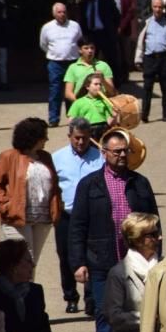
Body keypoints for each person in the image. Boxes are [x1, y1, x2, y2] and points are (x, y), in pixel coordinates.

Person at [70, 129, 159, 332]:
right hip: (102, 261)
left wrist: (158, 254)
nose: (122, 155)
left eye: (125, 151)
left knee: (141, 311)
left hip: (137, 260)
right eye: (116, 151)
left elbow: (154, 221)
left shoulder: (140, 183)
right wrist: (78, 262)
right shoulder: (89, 185)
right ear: (104, 153)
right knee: (105, 314)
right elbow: (78, 226)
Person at [0, 117, 63, 266]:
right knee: (22, 263)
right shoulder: (9, 156)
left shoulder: (46, 157)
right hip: (18, 218)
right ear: (33, 138)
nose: (46, 139)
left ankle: (28, 290)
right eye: (43, 136)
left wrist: (57, 205)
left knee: (31, 264)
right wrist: (5, 204)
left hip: (43, 220)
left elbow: (54, 184)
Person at [51, 117, 104, 314]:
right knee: (65, 257)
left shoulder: (100, 158)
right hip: (66, 216)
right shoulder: (57, 158)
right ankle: (71, 297)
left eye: (84, 138)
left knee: (91, 257)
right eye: (76, 138)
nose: (80, 142)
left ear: (90, 137)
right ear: (69, 137)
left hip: (92, 217)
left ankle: (91, 299)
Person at [134, 0, 166, 123]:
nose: (158, 9)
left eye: (160, 7)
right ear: (152, 7)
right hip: (150, 58)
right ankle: (145, 114)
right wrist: (138, 59)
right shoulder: (146, 22)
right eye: (155, 6)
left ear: (163, 7)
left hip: (165, 58)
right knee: (147, 87)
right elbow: (140, 42)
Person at [39, 1, 82, 127]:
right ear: (54, 14)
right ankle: (53, 119)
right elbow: (43, 44)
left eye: (64, 12)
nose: (62, 14)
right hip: (55, 63)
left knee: (72, 92)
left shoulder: (75, 26)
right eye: (59, 12)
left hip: (72, 63)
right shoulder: (47, 27)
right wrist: (54, 54)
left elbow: (80, 42)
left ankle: (72, 117)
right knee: (55, 92)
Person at [78, 0, 121, 84]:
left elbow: (117, 16)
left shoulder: (106, 0)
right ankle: (92, 82)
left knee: (111, 59)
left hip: (105, 34)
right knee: (91, 59)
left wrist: (113, 30)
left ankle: (114, 84)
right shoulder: (84, 3)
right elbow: (82, 20)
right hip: (91, 35)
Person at [67, 72, 119, 140]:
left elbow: (109, 123)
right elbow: (71, 121)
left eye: (100, 84)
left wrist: (114, 115)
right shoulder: (78, 102)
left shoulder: (105, 101)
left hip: (104, 130)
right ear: (87, 86)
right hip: (87, 131)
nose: (99, 87)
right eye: (95, 84)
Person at [63, 35, 114, 104]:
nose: (90, 51)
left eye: (92, 48)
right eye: (86, 48)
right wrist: (82, 104)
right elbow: (68, 93)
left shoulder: (103, 65)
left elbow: (112, 92)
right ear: (80, 50)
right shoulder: (73, 67)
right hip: (80, 105)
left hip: (101, 105)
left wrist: (103, 80)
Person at [108, 0, 138, 88]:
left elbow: (130, 12)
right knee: (113, 54)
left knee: (124, 53)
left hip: (124, 29)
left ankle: (124, 76)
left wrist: (121, 26)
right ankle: (114, 76)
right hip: (109, 30)